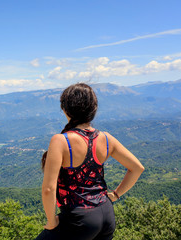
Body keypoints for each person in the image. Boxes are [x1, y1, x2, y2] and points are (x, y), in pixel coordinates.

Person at [35, 83, 145, 240]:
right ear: (93, 109)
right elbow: (137, 168)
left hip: (79, 219)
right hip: (106, 214)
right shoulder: (106, 138)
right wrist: (115, 195)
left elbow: (48, 189)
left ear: (65, 109)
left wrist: (52, 221)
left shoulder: (61, 141)